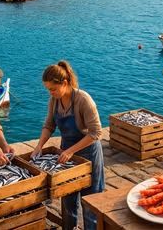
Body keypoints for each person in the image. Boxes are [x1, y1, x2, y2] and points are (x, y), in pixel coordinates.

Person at [32, 61, 104, 230]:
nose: (51, 93)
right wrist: (39, 146)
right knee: (68, 200)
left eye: (53, 89)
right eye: (48, 89)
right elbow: (49, 125)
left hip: (88, 154)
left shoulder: (83, 100)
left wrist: (71, 151)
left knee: (90, 202)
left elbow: (96, 133)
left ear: (64, 83)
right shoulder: (54, 101)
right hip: (67, 155)